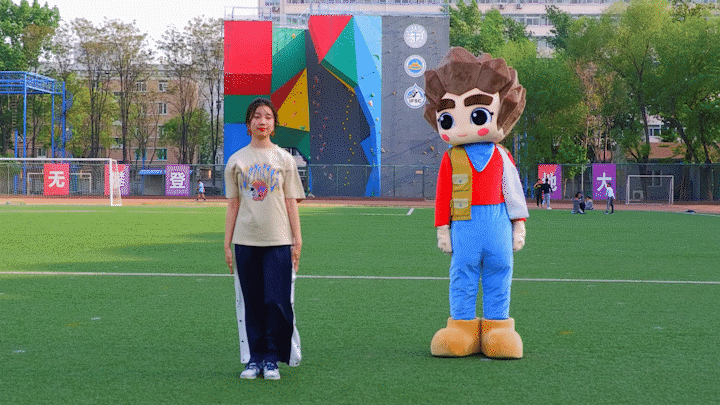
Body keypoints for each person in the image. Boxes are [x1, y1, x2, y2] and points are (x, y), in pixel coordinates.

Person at [224, 97, 305, 380]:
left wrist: (297, 239)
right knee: (253, 302)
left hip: (278, 241)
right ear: (248, 124)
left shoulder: (284, 159)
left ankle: (273, 358)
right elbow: (233, 204)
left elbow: (291, 201)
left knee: (276, 300)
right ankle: (255, 359)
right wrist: (227, 244)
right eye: (257, 116)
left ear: (274, 124)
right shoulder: (236, 160)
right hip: (245, 240)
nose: (262, 121)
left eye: (268, 117)